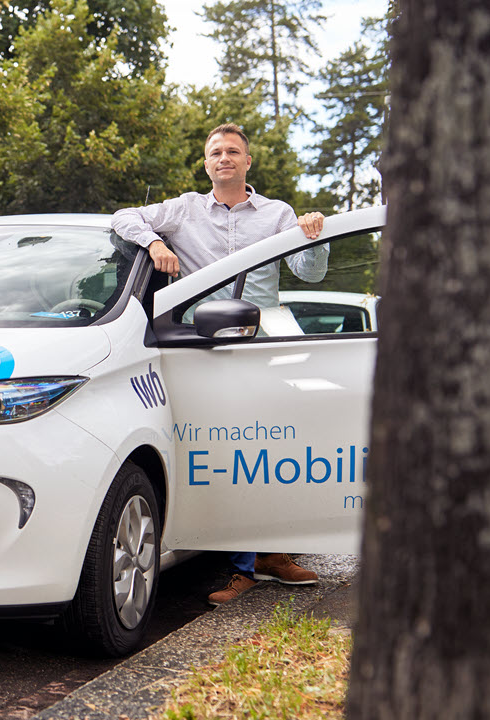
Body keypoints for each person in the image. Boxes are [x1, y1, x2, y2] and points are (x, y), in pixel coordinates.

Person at [112, 122, 325, 606]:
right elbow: (124, 217)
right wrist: (155, 243)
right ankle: (242, 565)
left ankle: (270, 555)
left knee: (275, 450)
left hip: (261, 343)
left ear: (248, 162)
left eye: (233, 151)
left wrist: (314, 232)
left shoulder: (278, 213)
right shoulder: (183, 210)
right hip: (201, 345)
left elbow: (311, 272)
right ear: (206, 163)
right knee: (232, 453)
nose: (224, 158)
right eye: (215, 152)